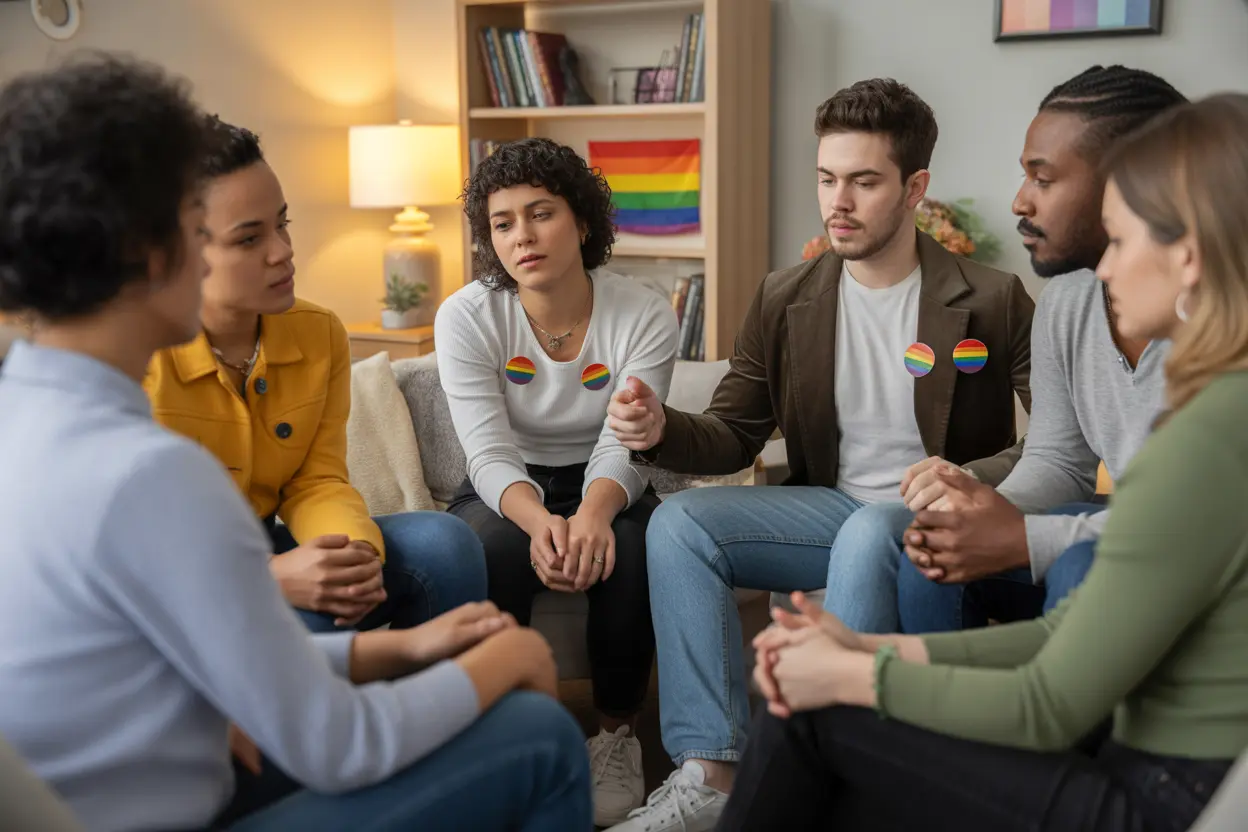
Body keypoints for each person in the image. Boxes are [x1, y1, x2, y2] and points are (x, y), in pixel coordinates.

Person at [0, 55, 590, 832]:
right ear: (150, 249)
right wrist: (505, 661)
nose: (277, 252)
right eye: (207, 230)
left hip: (149, 768)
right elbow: (340, 746)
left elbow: (177, 643)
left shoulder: (25, 415)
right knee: (540, 733)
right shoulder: (148, 473)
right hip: (189, 805)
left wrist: (394, 653)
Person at [721, 90, 1248, 832]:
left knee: (811, 719)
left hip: (1156, 801)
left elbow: (1047, 702)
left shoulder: (1206, 438)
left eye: (1121, 242)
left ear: (1187, 258)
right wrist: (871, 646)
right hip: (1153, 769)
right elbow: (1063, 638)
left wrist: (850, 675)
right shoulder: (1223, 411)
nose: (1104, 271)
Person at [603, 79, 1034, 832]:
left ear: (914, 188)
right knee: (680, 525)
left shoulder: (993, 297)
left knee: (875, 530)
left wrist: (971, 476)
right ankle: (712, 775)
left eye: (864, 182)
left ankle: (837, 777)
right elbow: (734, 432)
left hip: (934, 519)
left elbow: (1055, 438)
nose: (838, 200)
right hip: (831, 509)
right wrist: (656, 427)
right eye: (828, 178)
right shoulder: (786, 296)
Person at [825, 66, 1186, 635]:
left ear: (1131, 181)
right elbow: (1060, 460)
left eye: (1042, 179)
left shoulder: (1220, 321)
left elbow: (1200, 524)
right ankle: (930, 717)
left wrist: (1021, 535)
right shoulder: (1068, 301)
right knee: (935, 550)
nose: (1019, 201)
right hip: (1121, 528)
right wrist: (983, 512)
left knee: (1082, 565)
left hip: (1191, 552)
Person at [144, 116, 487, 634]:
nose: (283, 251)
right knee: (314, 614)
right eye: (249, 239)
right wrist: (267, 577)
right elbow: (122, 543)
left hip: (263, 543)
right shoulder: (133, 356)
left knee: (446, 544)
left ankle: (442, 707)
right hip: (165, 583)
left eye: (282, 224)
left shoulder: (318, 332)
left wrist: (354, 552)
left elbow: (315, 479)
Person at [436, 137, 680, 827]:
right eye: (503, 223)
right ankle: (505, 732)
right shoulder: (466, 315)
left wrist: (595, 515)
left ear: (580, 220)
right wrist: (543, 523)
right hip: (508, 482)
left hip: (613, 474)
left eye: (539, 214)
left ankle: (615, 736)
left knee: (630, 552)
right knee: (486, 549)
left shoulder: (643, 310)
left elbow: (625, 440)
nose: (522, 237)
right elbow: (485, 452)